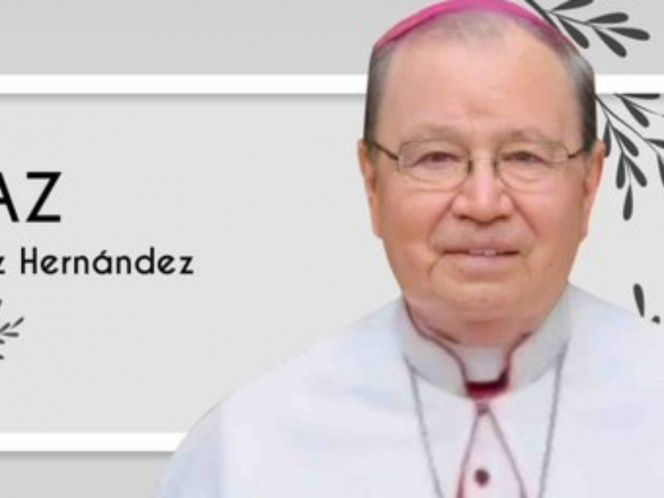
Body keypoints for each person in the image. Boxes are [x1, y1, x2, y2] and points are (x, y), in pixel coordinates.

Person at [158, 1, 664, 496]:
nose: (483, 204)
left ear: (589, 183)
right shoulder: (245, 447)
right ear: (373, 183)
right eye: (436, 157)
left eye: (526, 157)